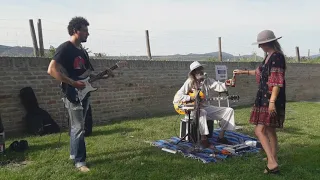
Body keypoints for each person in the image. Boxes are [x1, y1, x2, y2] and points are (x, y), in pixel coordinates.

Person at [47, 16, 114, 172]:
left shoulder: (83, 52)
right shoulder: (65, 48)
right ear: (76, 31)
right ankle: (80, 162)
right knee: (79, 128)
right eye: (85, 31)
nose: (88, 34)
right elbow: (51, 70)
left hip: (84, 93)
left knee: (77, 127)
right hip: (72, 93)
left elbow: (87, 77)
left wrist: (105, 75)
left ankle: (73, 154)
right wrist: (72, 83)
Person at [233, 30, 286, 174]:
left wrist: (272, 102)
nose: (259, 47)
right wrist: (242, 72)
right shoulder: (269, 56)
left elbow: (277, 82)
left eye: (260, 44)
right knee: (269, 130)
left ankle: (272, 163)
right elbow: (260, 72)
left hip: (269, 98)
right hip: (265, 98)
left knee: (259, 130)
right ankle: (272, 157)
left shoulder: (276, 57)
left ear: (266, 43)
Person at [173, 61, 236, 148]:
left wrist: (226, 84)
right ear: (193, 73)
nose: (200, 71)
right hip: (192, 110)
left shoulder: (207, 80)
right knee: (201, 112)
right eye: (197, 70)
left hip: (205, 107)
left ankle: (221, 137)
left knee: (229, 111)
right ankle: (204, 140)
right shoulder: (189, 82)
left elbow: (217, 86)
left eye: (201, 69)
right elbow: (178, 97)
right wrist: (191, 98)